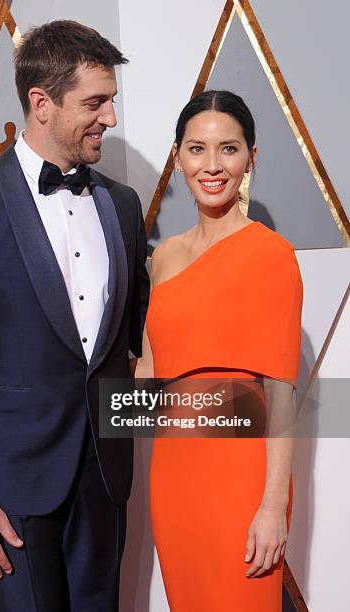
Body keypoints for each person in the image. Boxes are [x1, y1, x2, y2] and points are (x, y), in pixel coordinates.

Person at [0, 20, 149, 612]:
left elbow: (130, 342)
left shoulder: (121, 205)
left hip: (104, 478)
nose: (111, 119)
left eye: (112, 101)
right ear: (41, 103)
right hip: (9, 492)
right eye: (95, 103)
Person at [136, 90, 302, 611]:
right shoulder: (162, 257)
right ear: (179, 156)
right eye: (196, 149)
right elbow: (149, 376)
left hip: (242, 477)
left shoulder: (270, 255)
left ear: (251, 156)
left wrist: (273, 504)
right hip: (174, 475)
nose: (211, 166)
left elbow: (280, 389)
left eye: (228, 149)